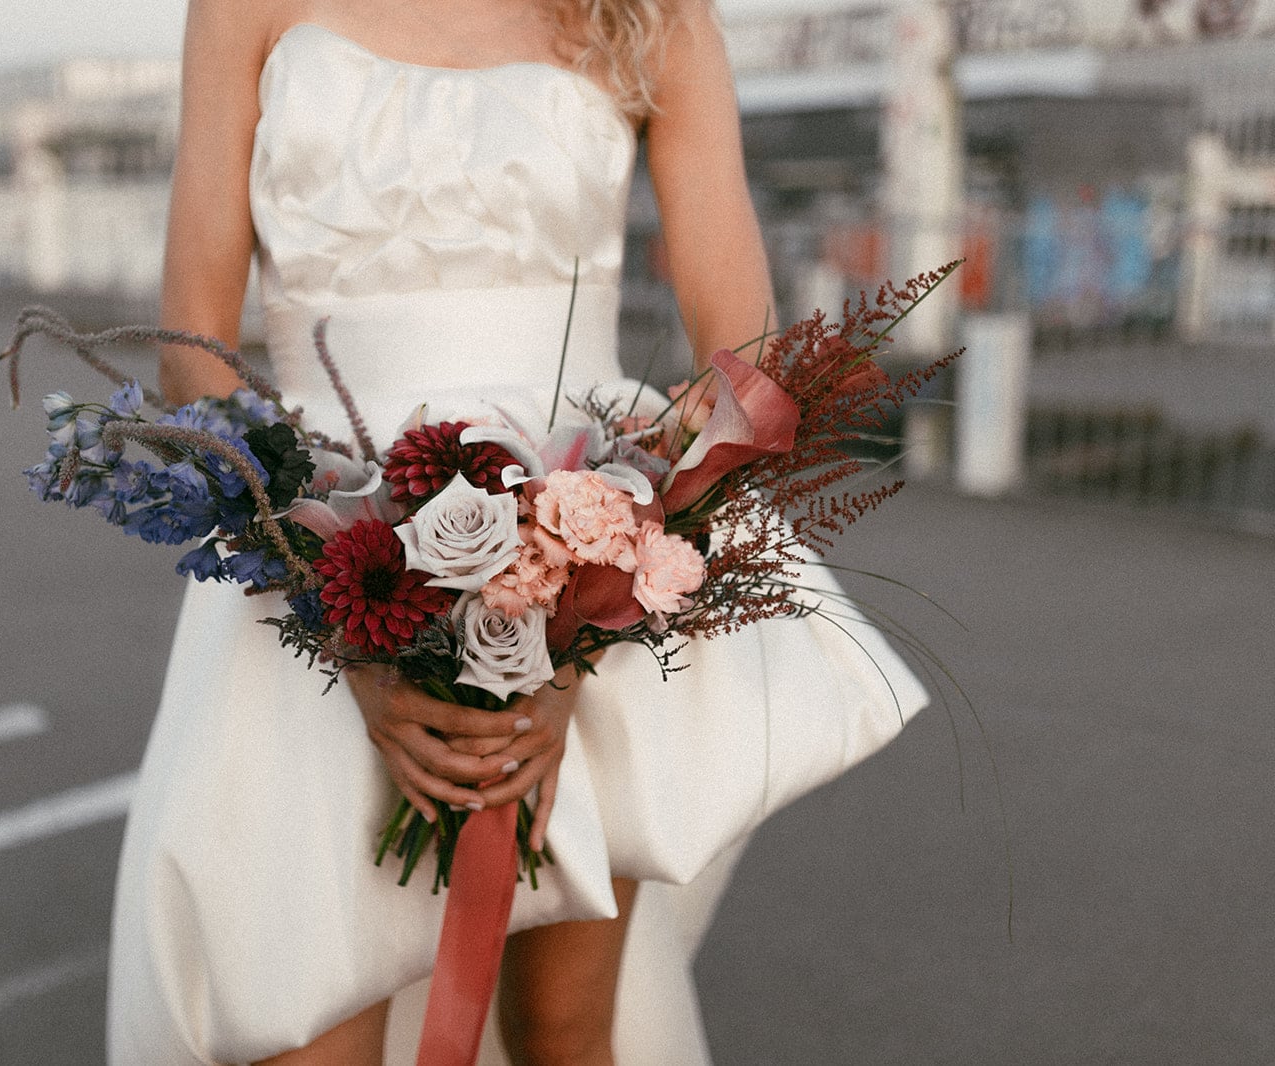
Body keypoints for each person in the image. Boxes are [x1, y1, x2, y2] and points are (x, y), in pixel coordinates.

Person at [108, 2, 929, 1063]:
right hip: (309, 553)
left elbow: (746, 366)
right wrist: (343, 616)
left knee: (558, 1029)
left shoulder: (650, 14)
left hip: (584, 539)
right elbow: (192, 354)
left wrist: (575, 621)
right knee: (298, 1026)